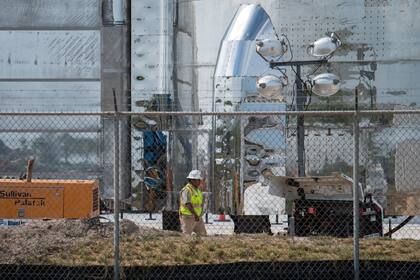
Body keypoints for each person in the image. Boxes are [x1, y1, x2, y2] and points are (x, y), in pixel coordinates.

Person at [179, 170, 207, 235]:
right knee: (186, 236)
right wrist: (195, 215)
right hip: (188, 217)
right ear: (192, 180)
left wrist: (198, 215)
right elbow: (188, 204)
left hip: (197, 217)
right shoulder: (187, 190)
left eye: (200, 180)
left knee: (203, 235)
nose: (200, 182)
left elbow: (199, 204)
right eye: (198, 180)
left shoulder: (197, 190)